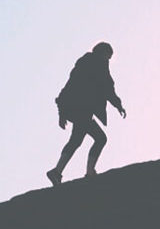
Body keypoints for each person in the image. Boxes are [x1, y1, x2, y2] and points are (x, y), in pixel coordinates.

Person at [48, 41, 126, 185]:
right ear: (103, 53)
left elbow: (68, 87)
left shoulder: (83, 64)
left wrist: (62, 113)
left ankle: (57, 171)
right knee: (100, 139)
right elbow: (107, 87)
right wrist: (118, 105)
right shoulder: (98, 65)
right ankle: (88, 172)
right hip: (82, 110)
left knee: (76, 140)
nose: (108, 60)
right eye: (108, 56)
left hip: (77, 110)